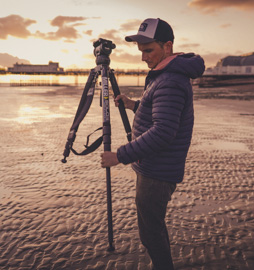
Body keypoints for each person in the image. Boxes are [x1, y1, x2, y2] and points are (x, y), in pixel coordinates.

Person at [100, 18, 205, 269]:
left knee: (151, 233)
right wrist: (133, 105)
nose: (143, 57)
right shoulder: (167, 74)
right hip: (156, 167)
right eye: (141, 51)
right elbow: (162, 115)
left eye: (149, 50)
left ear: (167, 47)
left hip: (158, 171)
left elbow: (163, 132)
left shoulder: (169, 79)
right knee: (153, 229)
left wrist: (120, 155)